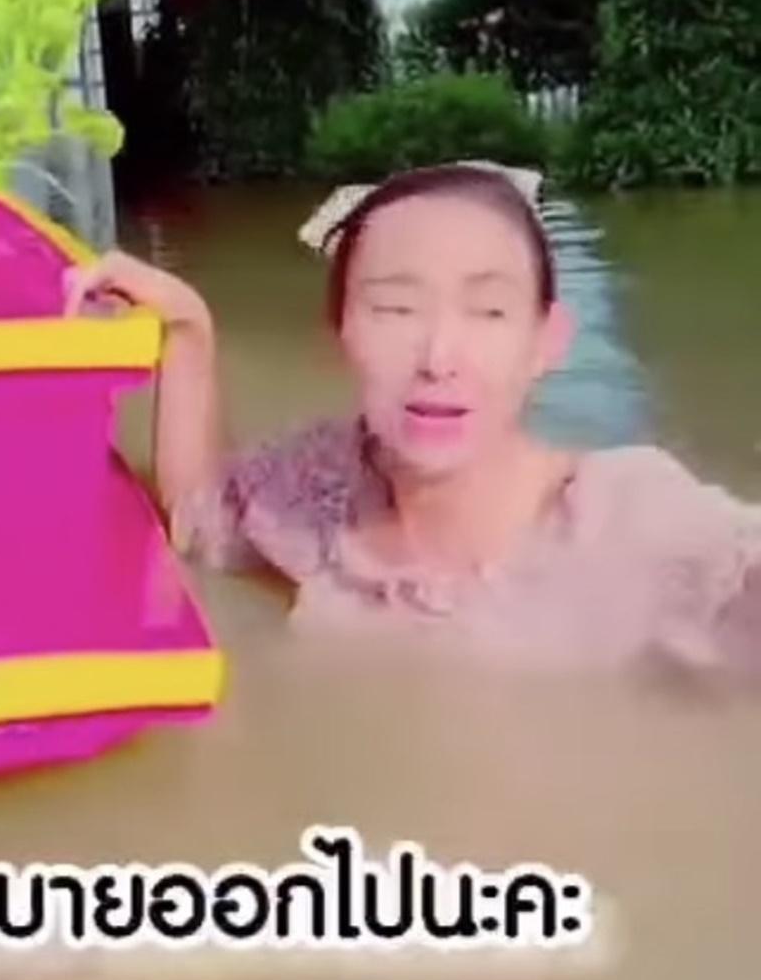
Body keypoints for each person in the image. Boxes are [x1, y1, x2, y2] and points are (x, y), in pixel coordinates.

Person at [64, 161, 761, 676]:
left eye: (489, 311)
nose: (438, 357)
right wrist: (188, 329)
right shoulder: (324, 488)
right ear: (338, 334)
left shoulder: (638, 523)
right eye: (396, 308)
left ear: (547, 343)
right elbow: (199, 520)